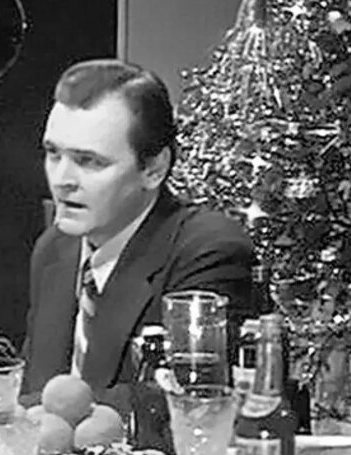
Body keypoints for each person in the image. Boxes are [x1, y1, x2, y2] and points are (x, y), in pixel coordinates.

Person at [20, 59, 257, 405]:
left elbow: (179, 402)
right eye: (54, 154)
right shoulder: (54, 248)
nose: (62, 179)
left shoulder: (209, 251)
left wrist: (32, 417)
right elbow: (34, 391)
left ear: (153, 169)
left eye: (89, 161)